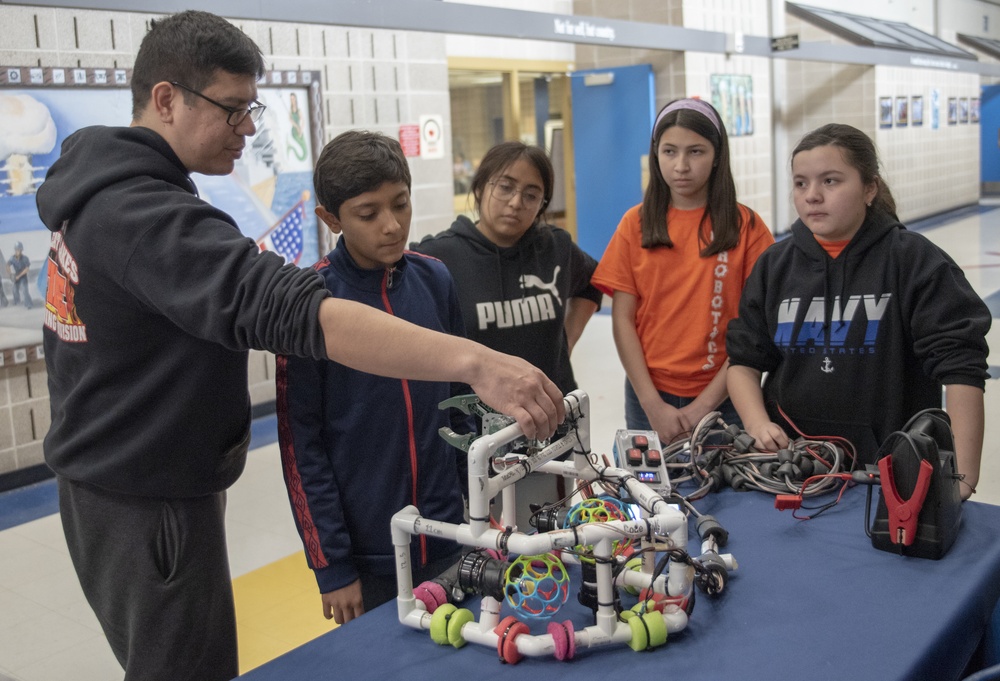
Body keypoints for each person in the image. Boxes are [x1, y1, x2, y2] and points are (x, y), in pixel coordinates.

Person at [34, 11, 562, 681]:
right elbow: (291, 312)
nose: (248, 128)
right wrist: (476, 359)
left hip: (134, 484)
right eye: (233, 110)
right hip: (148, 498)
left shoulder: (110, 195)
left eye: (252, 108)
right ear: (165, 98)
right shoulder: (140, 215)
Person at [726, 123, 990, 499]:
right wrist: (757, 423)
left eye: (830, 181)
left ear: (870, 188)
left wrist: (962, 477)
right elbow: (743, 362)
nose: (812, 196)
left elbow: (962, 368)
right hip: (792, 468)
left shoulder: (914, 261)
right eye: (801, 183)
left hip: (892, 472)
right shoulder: (775, 265)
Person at [277, 130, 470, 625]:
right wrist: (333, 566)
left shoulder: (435, 280)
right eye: (368, 214)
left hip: (450, 533)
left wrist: (476, 509)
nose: (392, 225)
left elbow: (461, 407)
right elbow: (302, 448)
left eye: (400, 204)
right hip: (371, 554)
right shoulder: (311, 306)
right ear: (331, 218)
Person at [591, 98, 773, 445]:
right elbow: (623, 319)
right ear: (656, 153)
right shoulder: (636, 223)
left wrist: (705, 404)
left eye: (696, 152)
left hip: (727, 394)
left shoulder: (745, 227)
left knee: (723, 493)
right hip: (648, 393)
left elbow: (755, 328)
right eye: (670, 151)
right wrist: (651, 404)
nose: (681, 166)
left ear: (718, 155)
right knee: (653, 494)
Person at [413, 141, 602, 397]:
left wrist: (564, 344)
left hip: (552, 412)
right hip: (477, 424)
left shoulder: (555, 247)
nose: (516, 202)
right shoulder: (439, 256)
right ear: (480, 188)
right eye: (505, 187)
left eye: (531, 195)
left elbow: (594, 282)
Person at [9, 241, 32, 309]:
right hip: (16, 276)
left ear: (21, 250)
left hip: (23, 277)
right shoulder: (12, 258)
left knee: (25, 290)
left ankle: (28, 304)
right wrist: (10, 274)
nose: (17, 251)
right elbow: (8, 265)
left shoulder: (25, 258)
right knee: (15, 289)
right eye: (16, 249)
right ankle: (17, 302)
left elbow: (27, 269)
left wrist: (18, 276)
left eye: (19, 249)